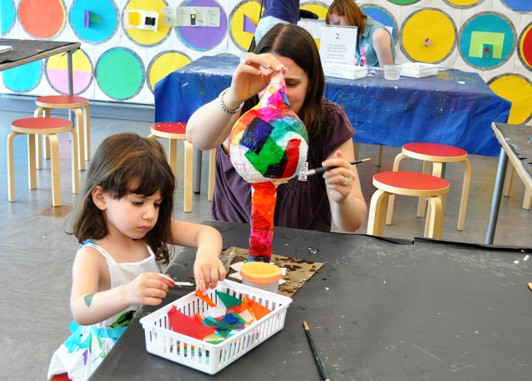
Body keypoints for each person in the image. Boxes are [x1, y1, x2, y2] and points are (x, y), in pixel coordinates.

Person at [47, 133, 225, 381]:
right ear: (101, 197)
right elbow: (80, 309)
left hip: (147, 342)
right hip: (109, 358)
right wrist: (127, 293)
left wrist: (206, 255)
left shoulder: (147, 233)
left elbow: (207, 233)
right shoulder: (93, 256)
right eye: (138, 202)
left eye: (156, 203)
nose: (150, 215)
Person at [186, 23, 367, 233]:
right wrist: (233, 96)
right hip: (232, 244)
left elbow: (352, 224)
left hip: (301, 251)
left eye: (290, 83)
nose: (277, 93)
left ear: (311, 83)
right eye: (268, 82)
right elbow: (197, 138)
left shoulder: (328, 121)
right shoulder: (240, 106)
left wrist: (342, 199)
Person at [326, 0, 395, 67]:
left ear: (350, 15)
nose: (337, 30)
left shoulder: (379, 35)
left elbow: (387, 75)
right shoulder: (352, 33)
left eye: (338, 23)